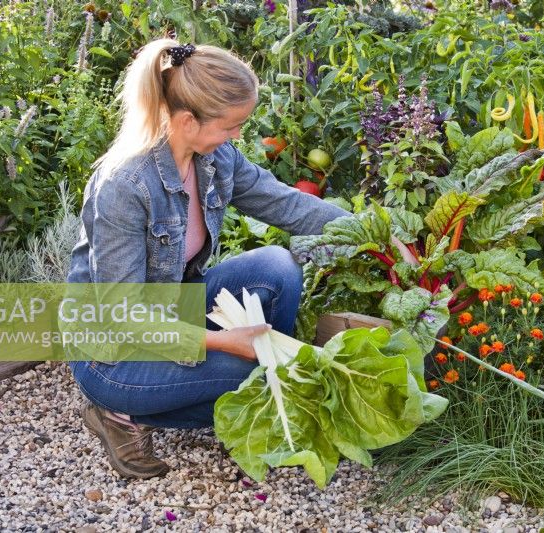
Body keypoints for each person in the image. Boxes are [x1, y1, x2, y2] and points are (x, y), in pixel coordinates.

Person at [66, 39, 349, 479]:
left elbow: (287, 206)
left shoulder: (215, 157)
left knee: (277, 266)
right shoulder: (124, 185)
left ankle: (251, 395)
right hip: (113, 354)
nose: (238, 135)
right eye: (230, 125)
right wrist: (221, 343)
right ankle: (119, 415)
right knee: (251, 369)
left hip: (172, 311)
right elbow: (121, 315)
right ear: (186, 120)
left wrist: (373, 233)